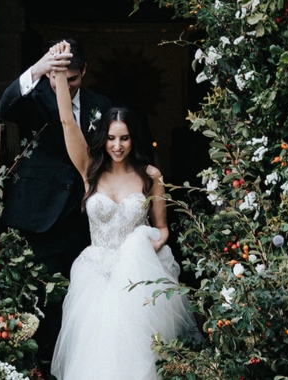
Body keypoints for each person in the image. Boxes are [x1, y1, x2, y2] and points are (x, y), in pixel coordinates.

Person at [48, 41, 197, 380]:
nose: (117, 146)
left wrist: (140, 251)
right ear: (104, 139)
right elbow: (67, 123)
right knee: (95, 357)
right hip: (96, 277)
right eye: (112, 138)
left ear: (134, 140)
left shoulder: (150, 178)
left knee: (136, 359)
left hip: (137, 279)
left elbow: (162, 229)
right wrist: (58, 74)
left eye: (125, 138)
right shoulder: (90, 172)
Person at [0, 39, 112, 376]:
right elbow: (5, 107)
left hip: (81, 218)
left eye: (72, 78)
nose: (64, 83)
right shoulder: (35, 97)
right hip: (37, 214)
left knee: (76, 299)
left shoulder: (99, 106)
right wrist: (39, 68)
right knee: (37, 302)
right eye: (57, 76)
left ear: (84, 72)